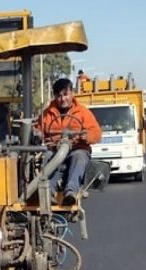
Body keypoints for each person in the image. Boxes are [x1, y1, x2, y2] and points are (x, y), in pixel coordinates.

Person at [36, 77, 101, 206]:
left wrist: (85, 136)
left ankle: (71, 192)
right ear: (55, 96)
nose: (63, 99)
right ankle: (49, 192)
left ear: (72, 93)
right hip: (54, 149)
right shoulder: (47, 114)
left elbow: (96, 133)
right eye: (59, 96)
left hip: (77, 148)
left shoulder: (83, 112)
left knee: (79, 156)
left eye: (65, 95)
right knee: (47, 157)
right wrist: (37, 134)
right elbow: (38, 130)